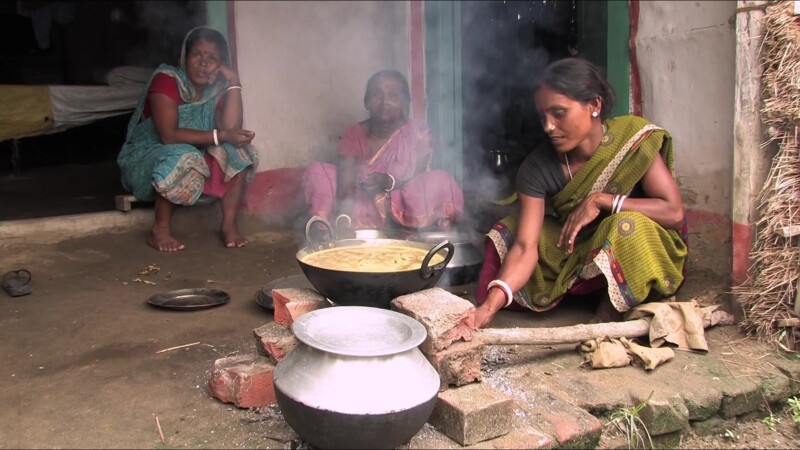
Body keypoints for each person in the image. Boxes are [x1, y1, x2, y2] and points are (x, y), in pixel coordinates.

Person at [474, 58, 688, 329]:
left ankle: (609, 311)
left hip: (634, 244)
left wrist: (602, 201)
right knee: (512, 228)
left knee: (626, 226)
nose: (548, 127)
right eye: (543, 116)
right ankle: (580, 291)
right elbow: (525, 247)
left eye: (559, 113)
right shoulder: (536, 167)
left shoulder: (633, 139)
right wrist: (488, 308)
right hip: (576, 247)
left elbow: (674, 213)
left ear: (595, 106)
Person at [117, 26, 258, 252]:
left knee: (237, 152)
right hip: (147, 157)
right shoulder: (168, 80)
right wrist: (220, 135)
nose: (203, 63)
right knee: (184, 153)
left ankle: (228, 226)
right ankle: (160, 229)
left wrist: (233, 81)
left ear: (221, 64)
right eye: (197, 55)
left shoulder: (216, 89)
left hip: (194, 154)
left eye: (212, 58)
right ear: (185, 56)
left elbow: (231, 128)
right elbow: (168, 135)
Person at [302, 69, 463, 232]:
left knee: (442, 179)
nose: (385, 101)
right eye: (376, 95)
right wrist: (343, 220)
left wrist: (389, 182)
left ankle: (413, 224)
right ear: (366, 102)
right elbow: (347, 182)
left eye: (393, 95)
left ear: (406, 102)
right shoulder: (354, 133)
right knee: (318, 171)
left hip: (402, 198)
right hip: (361, 198)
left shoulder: (418, 133)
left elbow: (417, 176)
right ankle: (338, 226)